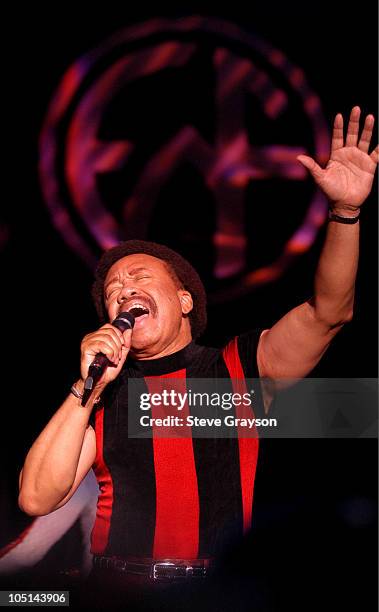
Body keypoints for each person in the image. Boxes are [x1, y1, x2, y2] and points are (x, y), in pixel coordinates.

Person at [18, 107, 378, 608]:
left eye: (140, 276)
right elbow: (37, 498)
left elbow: (329, 312)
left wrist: (345, 214)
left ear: (184, 299)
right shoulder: (103, 393)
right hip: (116, 593)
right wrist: (88, 388)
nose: (123, 289)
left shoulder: (237, 369)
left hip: (215, 595)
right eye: (114, 290)